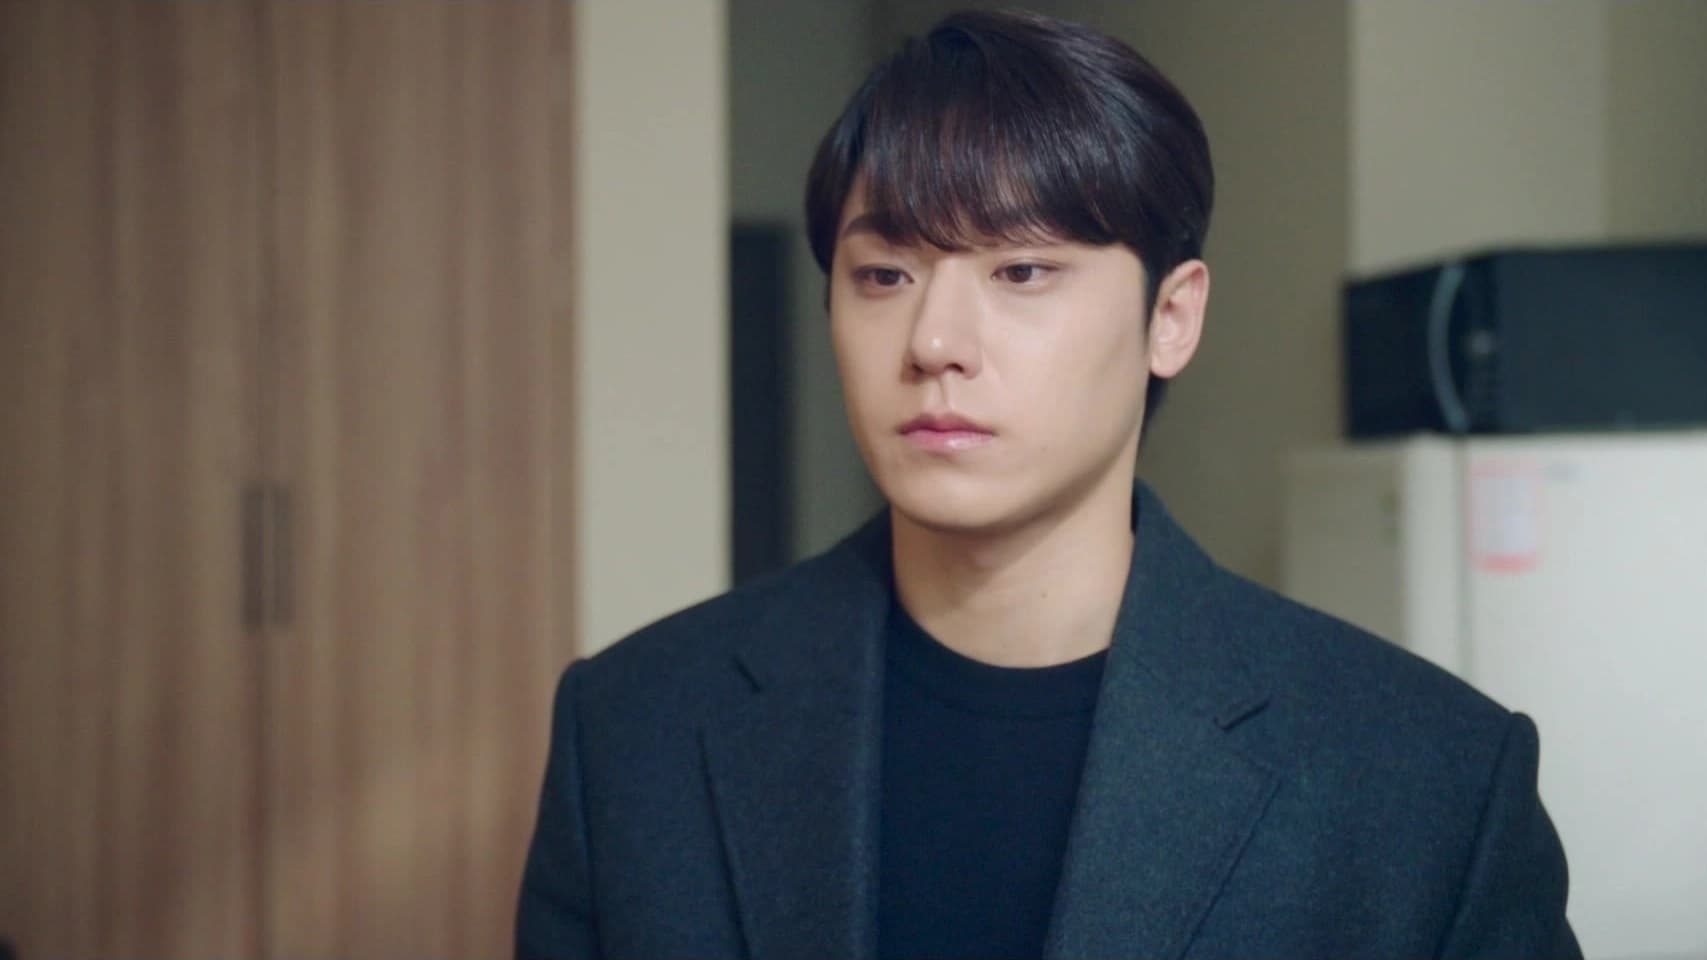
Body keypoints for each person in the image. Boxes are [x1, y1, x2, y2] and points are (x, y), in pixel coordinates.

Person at [516, 10, 1579, 959]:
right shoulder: (635, 732)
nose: (933, 340)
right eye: (884, 275)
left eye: (1020, 271)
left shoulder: (1426, 780)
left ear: (1172, 318)